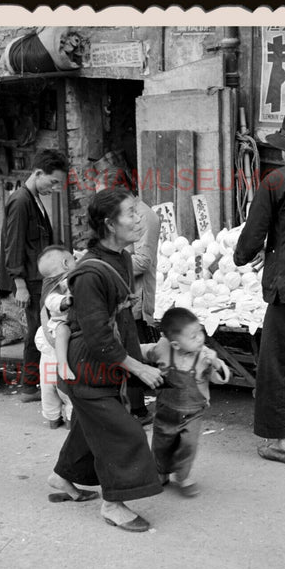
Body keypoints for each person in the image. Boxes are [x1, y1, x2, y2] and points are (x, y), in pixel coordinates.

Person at [48, 187, 165, 533]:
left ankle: (62, 478)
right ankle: (113, 503)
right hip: (86, 367)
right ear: (110, 224)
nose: (138, 217)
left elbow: (120, 320)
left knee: (89, 426)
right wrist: (137, 365)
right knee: (124, 431)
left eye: (136, 210)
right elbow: (98, 336)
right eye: (130, 213)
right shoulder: (89, 274)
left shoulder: (123, 258)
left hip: (105, 363)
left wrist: (141, 352)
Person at [234, 109, 285, 464]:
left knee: (278, 363)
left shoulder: (276, 181)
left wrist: (245, 255)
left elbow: (250, 239)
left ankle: (282, 442)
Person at [0, 149, 68, 402]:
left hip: (40, 277)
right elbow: (12, 244)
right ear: (38, 173)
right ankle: (29, 386)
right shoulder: (21, 201)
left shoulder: (34, 198)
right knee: (37, 330)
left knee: (40, 327)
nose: (55, 187)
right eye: (53, 181)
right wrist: (20, 285)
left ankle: (33, 384)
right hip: (30, 279)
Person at [94, 168, 161, 426]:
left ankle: (138, 411)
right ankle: (130, 408)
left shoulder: (145, 217)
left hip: (135, 294)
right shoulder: (117, 217)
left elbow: (143, 260)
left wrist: (104, 268)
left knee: (133, 350)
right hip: (119, 292)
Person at [141, 307, 230, 496]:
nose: (199, 338)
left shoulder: (205, 356)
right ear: (174, 344)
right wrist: (128, 356)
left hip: (193, 412)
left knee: (188, 444)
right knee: (161, 443)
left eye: (200, 332)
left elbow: (219, 377)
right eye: (192, 336)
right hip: (166, 409)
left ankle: (183, 476)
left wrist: (216, 363)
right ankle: (161, 471)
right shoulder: (163, 349)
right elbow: (145, 351)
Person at [34, 245, 76, 430]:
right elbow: (51, 301)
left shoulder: (53, 281)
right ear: (66, 263)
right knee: (59, 382)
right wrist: (65, 301)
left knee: (48, 380)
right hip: (58, 335)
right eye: (74, 259)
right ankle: (65, 417)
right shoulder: (60, 284)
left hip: (50, 336)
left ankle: (56, 417)